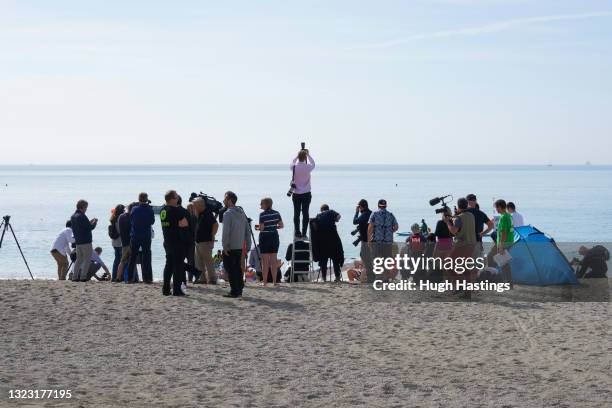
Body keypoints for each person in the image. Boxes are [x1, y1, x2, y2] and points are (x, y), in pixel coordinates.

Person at [221, 191, 252, 298]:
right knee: (237, 269)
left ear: (229, 200)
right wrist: (248, 246)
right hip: (239, 246)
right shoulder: (242, 213)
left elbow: (226, 232)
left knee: (230, 269)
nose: (223, 200)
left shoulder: (227, 213)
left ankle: (235, 290)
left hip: (230, 247)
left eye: (225, 198)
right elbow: (247, 231)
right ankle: (239, 289)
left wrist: (225, 246)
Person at [160, 190, 190, 296]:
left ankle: (166, 289)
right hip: (177, 241)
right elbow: (185, 223)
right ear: (172, 199)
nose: (178, 199)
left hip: (167, 241)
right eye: (176, 197)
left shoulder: (163, 210)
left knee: (168, 265)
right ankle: (177, 290)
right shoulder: (175, 211)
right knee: (178, 266)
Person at [446, 198, 476, 294]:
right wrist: (454, 217)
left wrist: (447, 222)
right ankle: (467, 292)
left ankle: (460, 284)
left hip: (462, 244)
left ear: (458, 206)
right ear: (467, 205)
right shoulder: (471, 215)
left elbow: (454, 231)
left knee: (449, 264)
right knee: (465, 267)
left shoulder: (459, 217)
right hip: (472, 244)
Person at [367, 199, 398, 283]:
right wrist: (390, 232)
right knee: (387, 260)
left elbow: (370, 228)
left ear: (378, 205)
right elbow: (396, 227)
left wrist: (369, 240)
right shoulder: (390, 215)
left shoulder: (374, 214)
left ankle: (378, 277)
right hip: (388, 242)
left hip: (377, 241)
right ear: (386, 206)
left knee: (376, 259)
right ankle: (386, 278)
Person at [127, 193, 155, 283]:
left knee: (132, 257)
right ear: (147, 199)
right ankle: (147, 278)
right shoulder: (149, 209)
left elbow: (131, 220)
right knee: (146, 256)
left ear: (139, 199)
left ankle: (130, 278)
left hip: (135, 235)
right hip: (146, 235)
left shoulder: (134, 209)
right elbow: (152, 221)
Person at [312, 204, 344, 282]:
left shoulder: (318, 216)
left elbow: (314, 227)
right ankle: (337, 277)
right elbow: (339, 216)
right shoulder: (331, 212)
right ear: (327, 209)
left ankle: (324, 278)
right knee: (336, 259)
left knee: (323, 260)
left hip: (322, 242)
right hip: (333, 240)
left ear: (321, 210)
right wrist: (336, 220)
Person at [258, 197, 284, 286]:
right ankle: (274, 282)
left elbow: (261, 228)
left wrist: (258, 228)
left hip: (265, 237)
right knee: (273, 261)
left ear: (266, 204)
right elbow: (281, 225)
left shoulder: (262, 215)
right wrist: (273, 227)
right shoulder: (277, 213)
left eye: (261, 203)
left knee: (265, 262)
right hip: (274, 237)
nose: (260, 205)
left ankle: (265, 282)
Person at [70, 199, 98, 282]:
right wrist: (95, 222)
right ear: (83, 207)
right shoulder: (82, 216)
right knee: (87, 259)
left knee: (79, 259)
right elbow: (90, 227)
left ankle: (74, 277)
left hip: (78, 242)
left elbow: (83, 226)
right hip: (86, 241)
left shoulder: (73, 216)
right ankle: (83, 277)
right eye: (86, 207)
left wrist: (90, 222)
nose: (86, 209)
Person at [290, 149, 315, 238]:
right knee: (305, 213)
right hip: (306, 193)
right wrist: (308, 154)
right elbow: (313, 163)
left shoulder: (294, 167)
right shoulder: (308, 167)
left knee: (296, 213)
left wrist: (298, 155)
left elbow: (293, 161)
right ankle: (304, 232)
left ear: (298, 157)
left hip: (296, 193)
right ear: (305, 157)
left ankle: (297, 231)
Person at [193, 197, 218, 284]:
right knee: (198, 261)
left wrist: (212, 235)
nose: (194, 207)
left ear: (200, 205)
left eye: (195, 206)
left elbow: (215, 224)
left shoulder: (207, 213)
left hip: (206, 241)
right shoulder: (199, 213)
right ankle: (202, 279)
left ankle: (212, 279)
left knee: (208, 261)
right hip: (198, 241)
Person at [465, 194, 494, 258]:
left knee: (465, 265)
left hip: (465, 243)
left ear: (467, 201)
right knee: (478, 265)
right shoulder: (480, 213)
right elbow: (491, 225)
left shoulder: (462, 213)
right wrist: (482, 233)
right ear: (475, 201)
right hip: (478, 242)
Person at [494, 199, 515, 283]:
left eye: (496, 207)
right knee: (505, 263)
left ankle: (507, 282)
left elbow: (504, 232)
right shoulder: (509, 215)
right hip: (510, 241)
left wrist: (501, 246)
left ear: (499, 207)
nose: (496, 209)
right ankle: (509, 282)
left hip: (505, 242)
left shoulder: (503, 217)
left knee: (503, 264)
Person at [353, 199, 372, 283]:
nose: (358, 209)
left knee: (365, 257)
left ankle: (369, 275)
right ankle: (369, 274)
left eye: (359, 207)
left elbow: (355, 221)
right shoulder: (370, 213)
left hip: (365, 240)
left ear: (361, 207)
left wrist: (356, 212)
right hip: (370, 239)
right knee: (366, 257)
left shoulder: (365, 214)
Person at [116, 202, 136, 283]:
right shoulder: (131, 217)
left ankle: (118, 277)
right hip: (130, 241)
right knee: (132, 261)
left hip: (123, 241)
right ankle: (131, 278)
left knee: (122, 261)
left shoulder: (121, 216)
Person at [109, 204, 125, 281]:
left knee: (116, 260)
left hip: (114, 242)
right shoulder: (120, 219)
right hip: (120, 242)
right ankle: (120, 277)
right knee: (122, 261)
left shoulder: (113, 219)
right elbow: (121, 231)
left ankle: (114, 276)